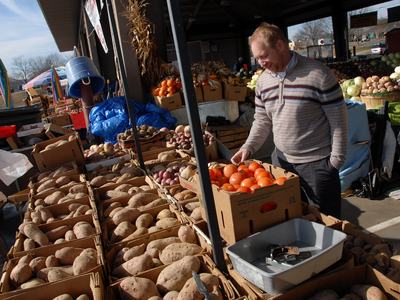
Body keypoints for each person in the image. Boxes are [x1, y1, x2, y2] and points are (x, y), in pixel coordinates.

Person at [231, 23, 348, 218]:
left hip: (317, 165)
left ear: (280, 45)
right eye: (257, 58)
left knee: (327, 221)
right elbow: (262, 120)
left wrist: (336, 160)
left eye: (263, 56)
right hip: (282, 163)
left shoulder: (318, 74)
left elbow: (339, 119)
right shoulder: (263, 82)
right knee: (290, 216)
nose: (261, 62)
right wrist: (248, 147)